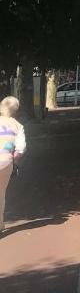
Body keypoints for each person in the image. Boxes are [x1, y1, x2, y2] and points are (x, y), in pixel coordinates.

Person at [0, 96, 26, 235]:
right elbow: (21, 149)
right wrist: (13, 159)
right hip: (5, 162)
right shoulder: (18, 125)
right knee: (1, 193)